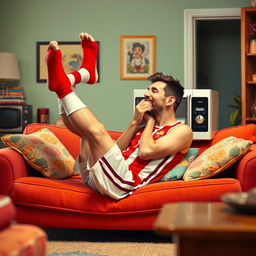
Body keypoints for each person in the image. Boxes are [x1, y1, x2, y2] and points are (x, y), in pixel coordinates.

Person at [46, 32, 193, 200]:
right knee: (86, 135)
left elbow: (146, 152)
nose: (146, 93)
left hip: (124, 182)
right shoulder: (143, 128)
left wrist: (150, 121)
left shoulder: (183, 131)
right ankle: (78, 77)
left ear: (170, 100)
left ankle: (65, 85)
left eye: (154, 90)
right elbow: (117, 149)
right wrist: (134, 121)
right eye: (148, 89)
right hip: (102, 175)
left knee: (98, 131)